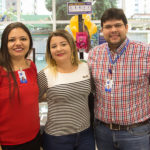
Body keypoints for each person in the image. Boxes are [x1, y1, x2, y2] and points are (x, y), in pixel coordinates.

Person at [88, 8, 150, 150]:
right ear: (102, 30)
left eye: (118, 25)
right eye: (108, 27)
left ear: (126, 27)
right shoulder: (94, 54)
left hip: (136, 133)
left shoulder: (145, 52)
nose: (113, 30)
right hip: (103, 131)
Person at [38, 29, 95, 150]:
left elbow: (92, 91)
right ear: (50, 51)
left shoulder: (85, 67)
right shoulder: (45, 74)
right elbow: (34, 98)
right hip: (57, 137)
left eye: (63, 44)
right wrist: (52, 96)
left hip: (85, 134)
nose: (59, 49)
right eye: (54, 46)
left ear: (72, 46)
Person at [0, 22, 41, 150]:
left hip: (34, 137)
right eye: (12, 40)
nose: (18, 43)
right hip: (8, 143)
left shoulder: (31, 65)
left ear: (29, 41)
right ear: (5, 44)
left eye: (23, 39)